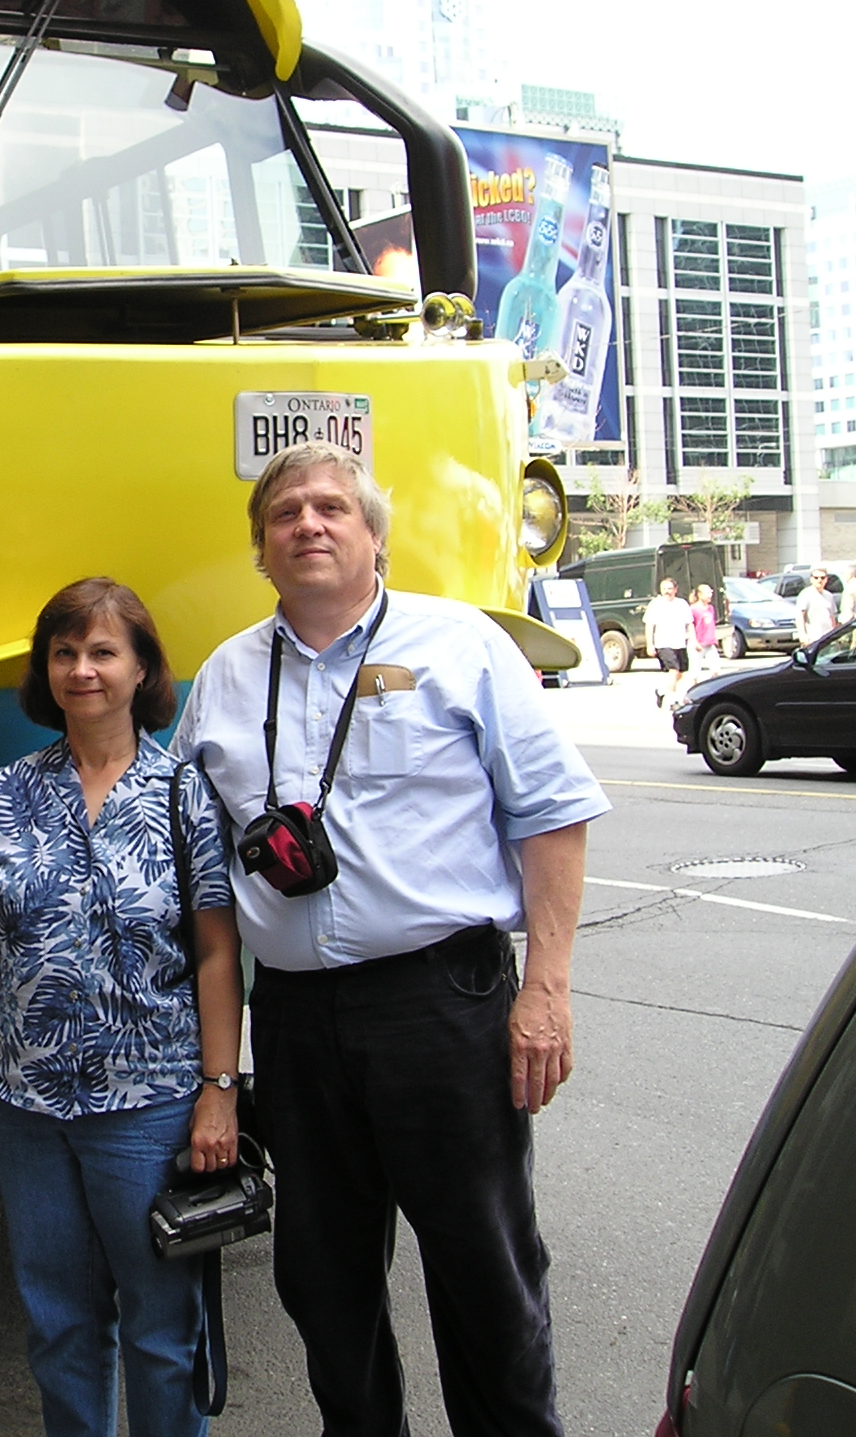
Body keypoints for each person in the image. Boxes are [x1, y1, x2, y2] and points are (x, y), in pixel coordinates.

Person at [170, 441, 610, 1437]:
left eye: (331, 507)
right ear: (261, 548)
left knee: (482, 1267)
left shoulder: (461, 645)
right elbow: (191, 860)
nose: (307, 524)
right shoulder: (226, 676)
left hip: (438, 1005)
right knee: (322, 1280)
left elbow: (551, 813)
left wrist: (545, 990)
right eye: (284, 513)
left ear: (373, 535)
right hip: (294, 1018)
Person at [0, 579, 242, 1437]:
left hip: (149, 1105)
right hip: (26, 1103)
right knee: (59, 1321)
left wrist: (220, 1091)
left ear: (142, 669)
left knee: (163, 1327)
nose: (82, 670)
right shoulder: (6, 791)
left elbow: (218, 953)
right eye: (64, 653)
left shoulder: (183, 794)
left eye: (104, 651)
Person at [643, 576, 691, 708]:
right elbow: (649, 625)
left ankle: (662, 692)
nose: (666, 591)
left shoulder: (682, 604)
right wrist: (650, 644)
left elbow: (689, 623)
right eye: (664, 589)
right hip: (663, 643)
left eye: (669, 588)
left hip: (679, 643)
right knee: (674, 671)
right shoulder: (655, 604)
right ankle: (673, 701)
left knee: (681, 674)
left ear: (675, 590)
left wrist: (693, 640)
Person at [685, 583, 720, 690]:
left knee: (715, 668)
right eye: (708, 593)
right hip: (698, 643)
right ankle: (693, 690)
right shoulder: (693, 609)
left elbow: (711, 625)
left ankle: (714, 689)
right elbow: (690, 627)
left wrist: (714, 638)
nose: (710, 595)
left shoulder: (710, 608)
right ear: (700, 595)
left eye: (711, 592)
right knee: (695, 670)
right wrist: (695, 642)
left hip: (709, 643)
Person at [796, 566, 839, 644]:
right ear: (811, 579)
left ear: (826, 579)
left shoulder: (829, 596)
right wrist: (802, 634)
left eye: (822, 578)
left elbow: (832, 617)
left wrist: (834, 634)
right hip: (813, 638)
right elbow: (800, 616)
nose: (819, 580)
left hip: (828, 637)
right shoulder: (805, 594)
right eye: (816, 578)